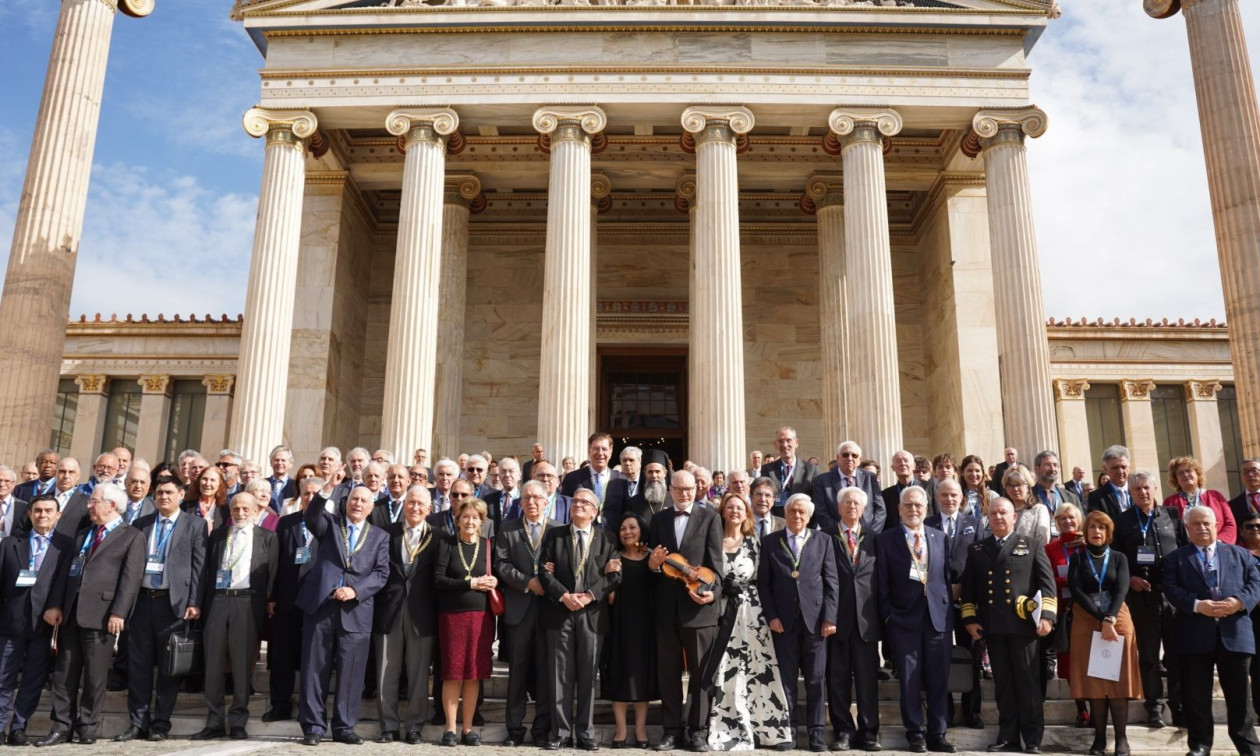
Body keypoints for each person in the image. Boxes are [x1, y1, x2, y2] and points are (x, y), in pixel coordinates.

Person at [37, 483, 146, 746]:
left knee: (95, 677)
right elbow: (65, 574)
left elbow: (130, 580)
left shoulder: (131, 536)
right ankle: (61, 726)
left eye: (93, 501)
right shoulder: (83, 534)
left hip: (103, 616)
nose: (89, 505)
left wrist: (119, 612)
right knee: (64, 674)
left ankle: (88, 725)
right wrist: (56, 605)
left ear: (110, 505)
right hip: (72, 614)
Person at [297, 484, 391, 746]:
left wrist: (355, 591)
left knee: (351, 672)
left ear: (371, 507)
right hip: (321, 607)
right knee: (314, 670)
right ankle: (313, 727)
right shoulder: (329, 525)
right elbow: (311, 516)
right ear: (345, 501)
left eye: (363, 501)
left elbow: (381, 574)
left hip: (356, 611)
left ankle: (344, 727)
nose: (357, 504)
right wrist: (325, 490)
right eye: (353, 499)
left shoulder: (380, 537)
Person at [960, 498, 1057, 754]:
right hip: (993, 626)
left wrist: (1047, 616)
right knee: (1003, 684)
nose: (998, 517)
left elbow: (1047, 585)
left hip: (1025, 627)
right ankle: (1008, 736)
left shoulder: (1032, 545)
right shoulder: (977, 549)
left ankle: (1033, 738)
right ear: (987, 518)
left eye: (1003, 513)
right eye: (993, 514)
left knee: (1028, 683)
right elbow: (969, 590)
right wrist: (970, 620)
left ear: (1014, 517)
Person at [1163, 506, 1260, 756]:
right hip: (1194, 634)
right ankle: (1200, 744)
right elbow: (1171, 589)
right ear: (1187, 528)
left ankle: (1247, 745)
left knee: (1240, 697)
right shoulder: (1175, 558)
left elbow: (1255, 583)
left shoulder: (1241, 555)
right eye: (1195, 524)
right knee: (1196, 696)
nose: (1202, 528)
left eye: (1207, 523)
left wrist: (1238, 602)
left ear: (1216, 525)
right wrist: (1197, 606)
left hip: (1235, 633)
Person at [704, 490, 794, 752]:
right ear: (722, 512)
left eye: (739, 508)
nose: (734, 511)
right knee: (726, 669)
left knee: (758, 670)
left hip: (752, 613)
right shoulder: (713, 541)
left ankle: (768, 731)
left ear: (746, 514)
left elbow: (764, 580)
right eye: (730, 507)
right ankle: (729, 730)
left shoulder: (756, 542)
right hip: (721, 611)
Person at [118, 475, 205, 742]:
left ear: (181, 494)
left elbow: (199, 566)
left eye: (168, 492)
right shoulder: (141, 524)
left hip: (174, 604)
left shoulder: (195, 524)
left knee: (169, 669)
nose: (163, 497)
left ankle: (160, 724)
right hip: (142, 602)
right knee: (139, 665)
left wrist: (194, 602)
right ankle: (137, 722)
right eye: (158, 493)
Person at [647, 469, 723, 751]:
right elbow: (654, 569)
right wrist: (653, 566)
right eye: (679, 489)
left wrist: (712, 593)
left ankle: (698, 730)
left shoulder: (711, 517)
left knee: (701, 674)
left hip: (699, 610)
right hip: (666, 610)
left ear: (696, 489)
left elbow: (717, 566)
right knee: (668, 673)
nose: (685, 494)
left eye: (689, 489)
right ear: (670, 489)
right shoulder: (659, 519)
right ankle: (671, 730)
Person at [538, 488, 620, 750]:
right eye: (575, 501)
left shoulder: (606, 538)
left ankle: (585, 733)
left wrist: (588, 596)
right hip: (560, 613)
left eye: (585, 502)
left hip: (591, 615)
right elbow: (543, 572)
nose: (578, 505)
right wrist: (563, 595)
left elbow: (615, 576)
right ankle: (560, 732)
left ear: (595, 511)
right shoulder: (555, 534)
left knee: (587, 676)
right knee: (559, 675)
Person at [193, 493, 278, 741]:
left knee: (242, 665)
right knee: (213, 664)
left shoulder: (268, 537)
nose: (240, 513)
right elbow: (206, 571)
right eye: (235, 508)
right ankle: (215, 720)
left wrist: (269, 602)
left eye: (245, 509)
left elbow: (273, 574)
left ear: (254, 511)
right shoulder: (219, 535)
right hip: (218, 600)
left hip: (247, 602)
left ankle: (238, 720)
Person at [876, 486, 954, 754]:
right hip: (903, 620)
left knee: (938, 678)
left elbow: (944, 580)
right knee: (909, 679)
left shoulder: (939, 537)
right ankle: (915, 733)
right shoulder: (886, 540)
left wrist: (947, 615)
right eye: (907, 505)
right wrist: (888, 615)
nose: (913, 510)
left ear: (926, 508)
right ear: (899, 509)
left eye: (918, 505)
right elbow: (882, 583)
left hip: (937, 620)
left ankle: (938, 733)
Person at [759, 493, 837, 752]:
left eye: (802, 512)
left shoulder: (823, 540)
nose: (797, 516)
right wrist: (771, 616)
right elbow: (764, 584)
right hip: (784, 623)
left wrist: (829, 617)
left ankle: (816, 735)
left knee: (816, 680)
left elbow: (831, 582)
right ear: (786, 513)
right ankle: (788, 733)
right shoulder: (771, 541)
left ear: (810, 515)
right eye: (793, 511)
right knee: (787, 681)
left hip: (816, 623)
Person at [1067, 511, 1143, 756]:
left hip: (1117, 616)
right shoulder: (1078, 558)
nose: (1097, 532)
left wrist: (1109, 618)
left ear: (1109, 532)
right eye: (1092, 528)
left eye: (1102, 528)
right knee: (1095, 682)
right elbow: (1076, 590)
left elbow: (1121, 588)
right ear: (1086, 532)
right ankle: (1099, 739)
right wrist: (1101, 619)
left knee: (1117, 680)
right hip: (1086, 617)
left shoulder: (1119, 557)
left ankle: (1121, 739)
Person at [1114, 470, 1184, 728]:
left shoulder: (1173, 516)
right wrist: (1130, 578)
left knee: (1176, 656)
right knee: (1149, 657)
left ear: (1155, 489)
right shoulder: (1122, 522)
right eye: (1137, 489)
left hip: (1172, 595)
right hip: (1142, 597)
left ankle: (1179, 707)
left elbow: (1185, 550)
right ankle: (1154, 707)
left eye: (1146, 487)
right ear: (1131, 493)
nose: (1142, 492)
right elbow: (1116, 561)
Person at [373, 485, 441, 744]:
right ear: (404, 505)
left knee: (419, 673)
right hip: (389, 610)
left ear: (429, 509)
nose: (414, 507)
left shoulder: (438, 537)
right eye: (410, 502)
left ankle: (414, 726)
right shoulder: (386, 534)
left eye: (420, 504)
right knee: (386, 673)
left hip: (422, 614)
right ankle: (388, 726)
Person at [0, 495, 71, 746]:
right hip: (11, 622)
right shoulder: (9, 544)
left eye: (48, 511)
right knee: (3, 676)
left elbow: (65, 582)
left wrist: (56, 607)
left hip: (44, 623)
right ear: (29, 514)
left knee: (33, 678)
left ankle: (19, 727)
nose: (43, 515)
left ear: (58, 515)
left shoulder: (66, 546)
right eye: (38, 511)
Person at [495, 481, 559, 747]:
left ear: (546, 501)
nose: (531, 502)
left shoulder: (557, 529)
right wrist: (526, 582)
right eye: (526, 498)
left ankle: (542, 728)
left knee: (546, 671)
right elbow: (501, 563)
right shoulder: (508, 529)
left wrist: (547, 583)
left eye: (536, 498)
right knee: (517, 672)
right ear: (520, 503)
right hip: (519, 609)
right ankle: (514, 728)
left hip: (547, 610)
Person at [434, 498, 497, 746]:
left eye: (475, 517)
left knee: (473, 675)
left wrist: (493, 582)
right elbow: (438, 580)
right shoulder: (447, 544)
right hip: (452, 618)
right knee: (452, 674)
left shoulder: (487, 546)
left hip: (481, 619)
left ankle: (468, 729)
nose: (470, 521)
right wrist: (469, 583)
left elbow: (497, 575)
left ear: (481, 521)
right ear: (457, 520)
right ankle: (450, 729)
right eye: (465, 517)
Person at [824, 486, 881, 751]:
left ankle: (869, 732)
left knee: (868, 680)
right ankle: (843, 731)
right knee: (838, 681)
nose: (852, 507)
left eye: (857, 503)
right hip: (836, 620)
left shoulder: (874, 538)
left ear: (864, 508)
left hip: (867, 621)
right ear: (839, 507)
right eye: (847, 502)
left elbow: (880, 580)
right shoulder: (825, 538)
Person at [925, 479, 985, 730]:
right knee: (939, 657)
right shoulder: (927, 524)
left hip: (967, 600)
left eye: (954, 495)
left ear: (962, 497)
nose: (949, 499)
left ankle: (972, 711)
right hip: (936, 600)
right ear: (937, 497)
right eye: (945, 495)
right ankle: (944, 710)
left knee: (971, 654)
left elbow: (979, 561)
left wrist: (963, 587)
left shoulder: (974, 524)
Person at [264, 476, 322, 723]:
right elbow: (276, 561)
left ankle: (311, 707)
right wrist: (273, 595)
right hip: (287, 600)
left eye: (315, 494)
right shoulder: (286, 523)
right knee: (281, 656)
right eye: (306, 493)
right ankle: (280, 704)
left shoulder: (332, 524)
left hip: (317, 602)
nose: (310, 498)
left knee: (312, 658)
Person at [604, 511, 658, 749]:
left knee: (642, 677)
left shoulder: (651, 558)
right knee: (618, 673)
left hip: (645, 625)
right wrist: (608, 574)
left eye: (632, 527)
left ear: (641, 530)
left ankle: (640, 729)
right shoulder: (613, 558)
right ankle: (621, 730)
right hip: (619, 624)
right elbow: (610, 597)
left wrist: (654, 568)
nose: (627, 531)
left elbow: (658, 590)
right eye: (623, 528)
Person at [1043, 504, 1090, 729]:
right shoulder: (1050, 548)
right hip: (1065, 612)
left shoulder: (1090, 543)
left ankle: (1099, 706)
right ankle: (1082, 710)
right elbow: (1048, 579)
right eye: (1062, 519)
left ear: (1079, 519)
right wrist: (1073, 581)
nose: (1067, 522)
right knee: (1072, 664)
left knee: (1092, 662)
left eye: (1071, 518)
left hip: (1090, 612)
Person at [1164, 456, 1238, 545]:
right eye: (1180, 473)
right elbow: (1167, 530)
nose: (1185, 475)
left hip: (1217, 548)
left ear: (1197, 474)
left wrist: (1218, 543)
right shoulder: (1170, 502)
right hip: (1186, 551)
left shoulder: (1215, 496)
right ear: (1176, 479)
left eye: (1188, 471)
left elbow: (1230, 524)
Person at [560, 433, 627, 531]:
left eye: (604, 449)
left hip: (611, 538)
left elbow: (624, 512)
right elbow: (565, 510)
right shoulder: (572, 478)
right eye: (596, 448)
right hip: (580, 535)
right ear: (589, 451)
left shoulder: (621, 480)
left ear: (611, 452)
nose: (600, 453)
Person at [812, 441, 884, 531]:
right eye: (845, 455)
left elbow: (880, 510)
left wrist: (871, 534)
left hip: (867, 536)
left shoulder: (870, 478)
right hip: (835, 536)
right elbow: (821, 512)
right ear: (838, 458)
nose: (850, 458)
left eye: (854, 455)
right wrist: (841, 532)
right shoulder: (822, 481)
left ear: (859, 460)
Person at [762, 427, 819, 513]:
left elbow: (817, 501)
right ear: (776, 444)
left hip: (803, 522)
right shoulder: (767, 470)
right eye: (780, 441)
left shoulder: (811, 470)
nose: (784, 445)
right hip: (777, 523)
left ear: (796, 442)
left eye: (788, 440)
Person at [1239, 511, 1260, 723]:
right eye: (1250, 526)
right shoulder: (1238, 555)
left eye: (1258, 526)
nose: (1255, 530)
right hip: (1251, 618)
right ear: (1241, 531)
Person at [1031, 451, 1081, 537]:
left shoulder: (1072, 498)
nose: (1052, 469)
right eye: (1047, 465)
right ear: (1036, 469)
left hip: (1066, 547)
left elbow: (1081, 525)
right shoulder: (1027, 495)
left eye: (1055, 465)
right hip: (1038, 547)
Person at [1004, 466, 1051, 545]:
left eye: (1019, 484)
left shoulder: (1039, 510)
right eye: (1010, 485)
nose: (1015, 489)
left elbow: (1042, 541)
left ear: (1028, 486)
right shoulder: (1002, 511)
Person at [1087, 446, 1133, 523]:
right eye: (1115, 468)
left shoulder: (1140, 491)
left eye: (1123, 467)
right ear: (1105, 469)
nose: (1120, 471)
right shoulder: (1096, 497)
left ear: (1129, 467)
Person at [880, 450, 918, 533]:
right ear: (893, 468)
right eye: (898, 461)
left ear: (914, 466)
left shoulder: (929, 488)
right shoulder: (885, 495)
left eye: (906, 460)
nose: (902, 464)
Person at [185, 465, 228, 533]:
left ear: (220, 484)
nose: (208, 484)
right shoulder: (186, 505)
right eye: (205, 479)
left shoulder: (225, 509)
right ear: (199, 481)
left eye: (212, 480)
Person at [749, 477, 786, 542]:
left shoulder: (784, 525)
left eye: (767, 495)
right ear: (751, 497)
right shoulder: (741, 523)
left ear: (773, 500)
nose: (763, 499)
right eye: (758, 494)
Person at [1229, 459, 1260, 532]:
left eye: (1255, 470)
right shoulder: (1232, 505)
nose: (1250, 474)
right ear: (1241, 476)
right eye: (1245, 472)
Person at [0, 466, 29, 537]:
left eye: (7, 481)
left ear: (13, 484)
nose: (2, 484)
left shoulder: (24, 507)